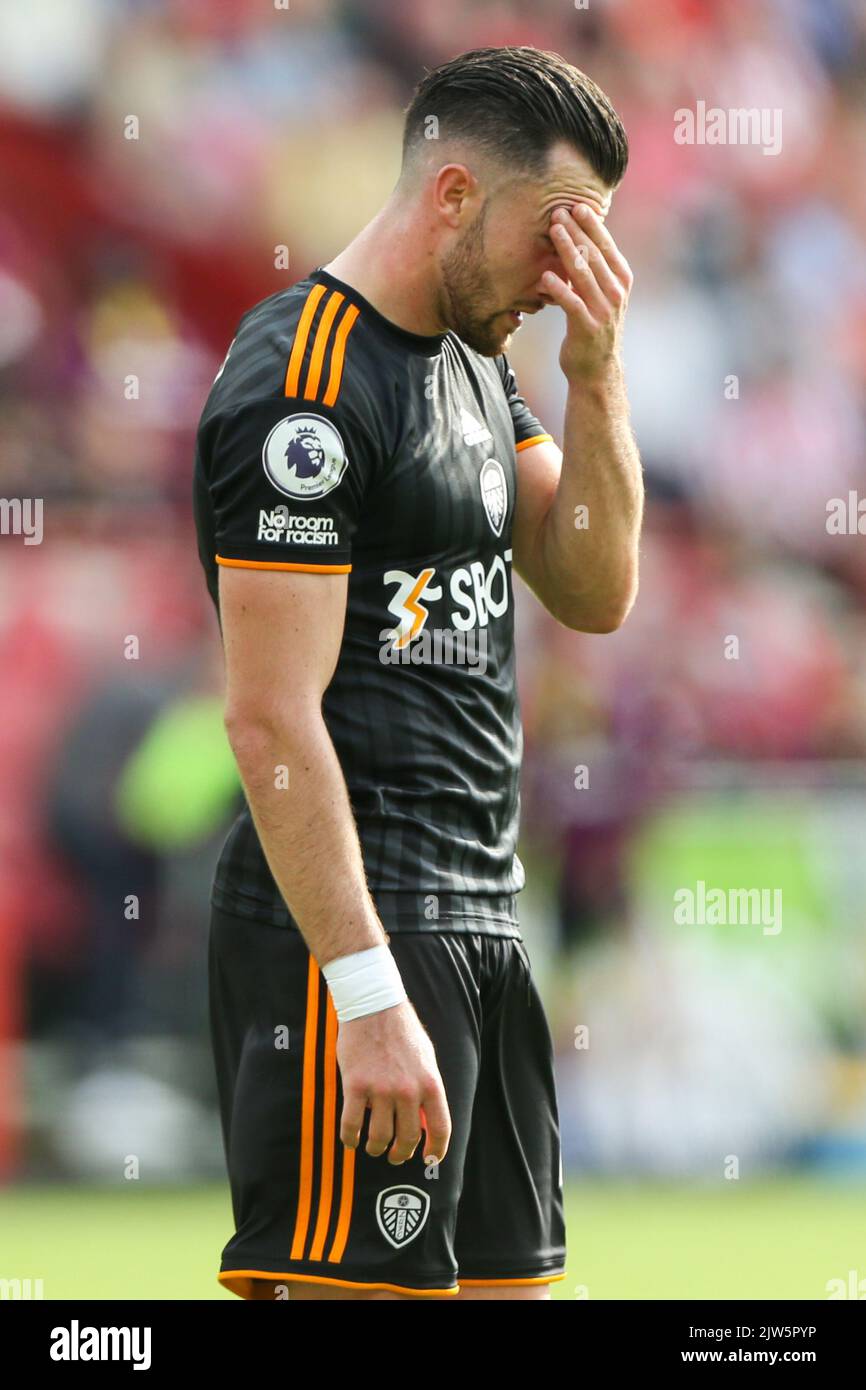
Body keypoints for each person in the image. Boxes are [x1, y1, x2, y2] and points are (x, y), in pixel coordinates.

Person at [193, 44, 641, 1301]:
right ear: (452, 196)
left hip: (483, 917)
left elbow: (594, 586)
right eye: (553, 238)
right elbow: (269, 720)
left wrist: (596, 380)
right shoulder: (301, 384)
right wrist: (365, 992)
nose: (561, 284)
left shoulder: (482, 363)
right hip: (354, 935)